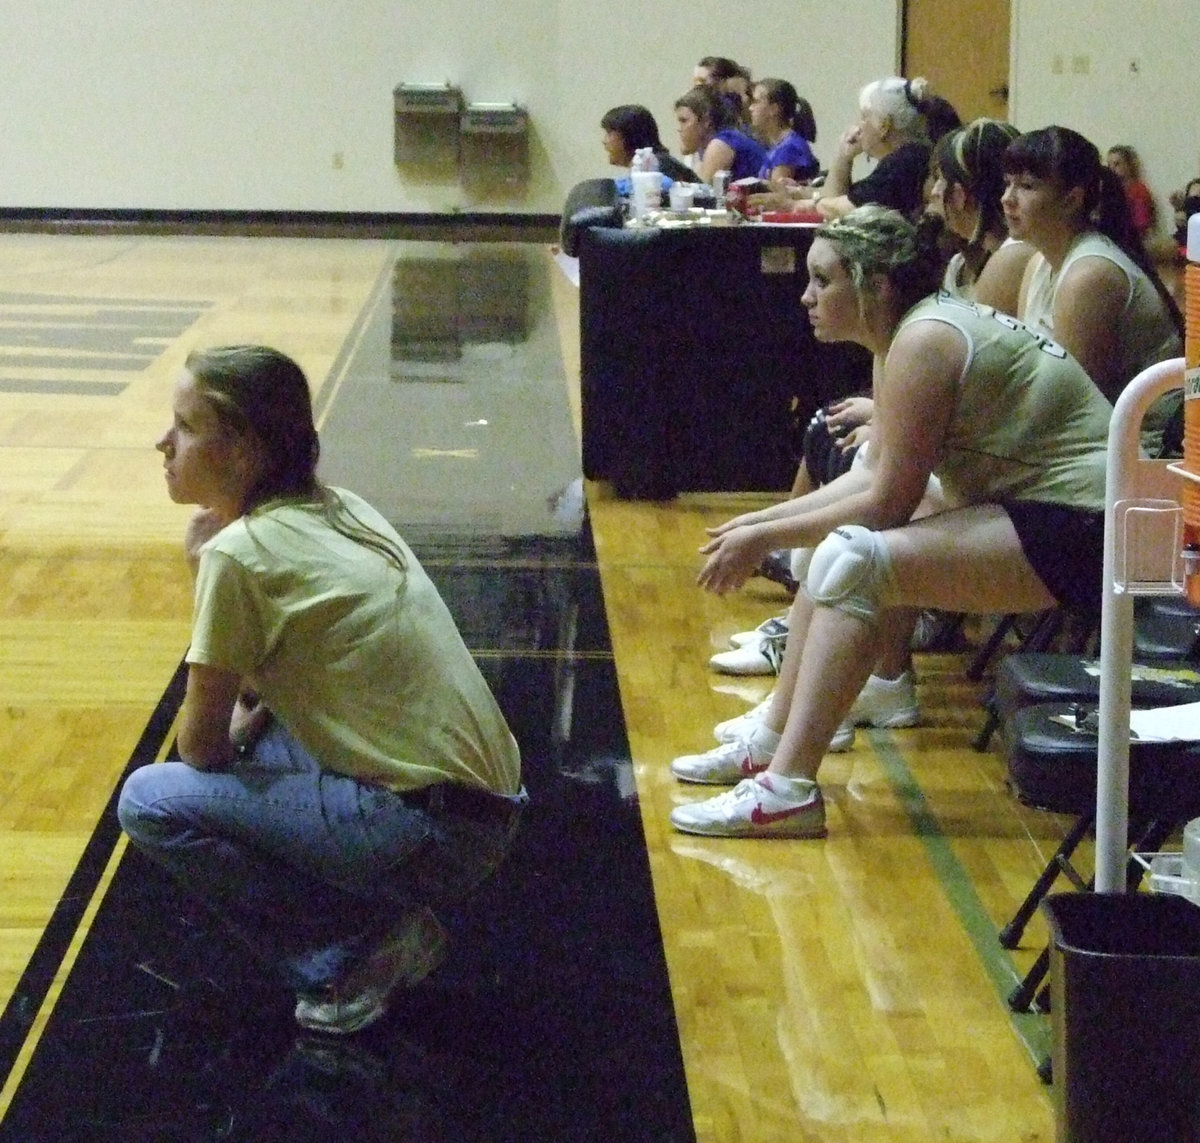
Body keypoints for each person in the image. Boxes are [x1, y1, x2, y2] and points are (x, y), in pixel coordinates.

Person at [667, 206, 1113, 838]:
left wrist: (764, 535)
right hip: (1038, 508)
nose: (806, 296)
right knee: (838, 553)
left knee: (852, 558)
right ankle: (770, 745)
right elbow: (869, 479)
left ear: (875, 285)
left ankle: (788, 789)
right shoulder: (905, 335)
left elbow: (885, 505)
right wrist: (761, 522)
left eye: (823, 280)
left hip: (1085, 525)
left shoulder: (924, 340)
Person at [117, 345, 526, 1033]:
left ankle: (352, 954)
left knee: (151, 800)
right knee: (266, 733)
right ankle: (378, 923)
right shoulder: (340, 508)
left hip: (433, 831)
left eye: (184, 427)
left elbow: (203, 750)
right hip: (488, 808)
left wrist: (207, 577)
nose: (163, 442)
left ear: (242, 451)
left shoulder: (239, 554)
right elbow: (262, 694)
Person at [1003, 126, 1183, 449]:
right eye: (1008, 183)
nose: (1007, 199)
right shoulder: (1037, 262)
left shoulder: (1090, 276)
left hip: (1144, 454)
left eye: (1026, 186)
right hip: (1092, 442)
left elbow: (1074, 414)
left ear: (1072, 200)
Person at [753, 76, 938, 221]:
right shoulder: (905, 156)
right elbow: (836, 197)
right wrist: (844, 156)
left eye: (864, 117)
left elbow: (846, 209)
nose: (859, 125)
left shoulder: (905, 162)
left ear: (884, 125)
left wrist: (792, 204)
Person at [929, 118, 1035, 315]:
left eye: (940, 179)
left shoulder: (1012, 258)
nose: (934, 192)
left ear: (960, 195)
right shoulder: (958, 265)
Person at [674, 85, 768, 184]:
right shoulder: (707, 145)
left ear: (706, 121)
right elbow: (685, 150)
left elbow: (702, 193)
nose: (679, 128)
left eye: (684, 121)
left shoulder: (721, 143)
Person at [600, 103, 698, 184]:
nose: (604, 141)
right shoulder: (657, 163)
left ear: (629, 136)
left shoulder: (658, 168)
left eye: (609, 133)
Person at [748, 78, 819, 184]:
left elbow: (776, 194)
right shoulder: (777, 145)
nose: (750, 108)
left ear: (774, 109)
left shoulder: (789, 149)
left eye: (756, 102)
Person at [1105, 144, 1156, 241]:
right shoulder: (1110, 191)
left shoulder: (1138, 191)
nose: (1111, 169)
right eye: (1109, 165)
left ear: (1129, 165)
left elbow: (1141, 226)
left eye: (1117, 164)